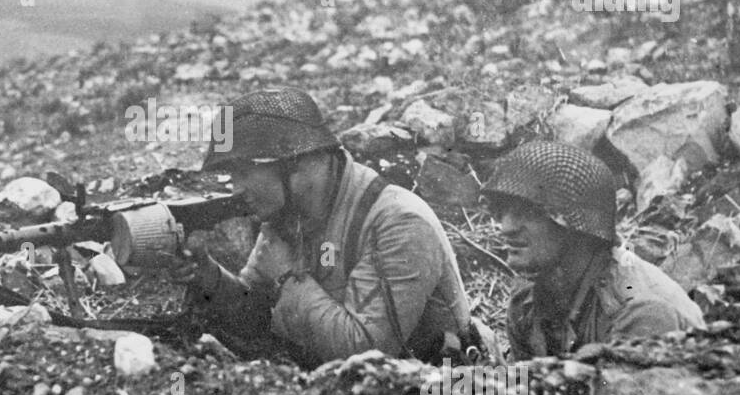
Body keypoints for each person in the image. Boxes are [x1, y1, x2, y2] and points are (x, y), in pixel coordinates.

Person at [171, 88, 471, 368]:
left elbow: (368, 355)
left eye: (244, 171)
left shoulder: (397, 222)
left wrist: (288, 277)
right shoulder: (288, 213)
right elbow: (258, 315)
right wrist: (209, 277)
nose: (236, 188)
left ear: (295, 164)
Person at [480, 140, 704, 361]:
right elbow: (521, 390)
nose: (507, 227)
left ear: (575, 226)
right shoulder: (526, 303)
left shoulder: (639, 310)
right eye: (502, 213)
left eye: (528, 213)